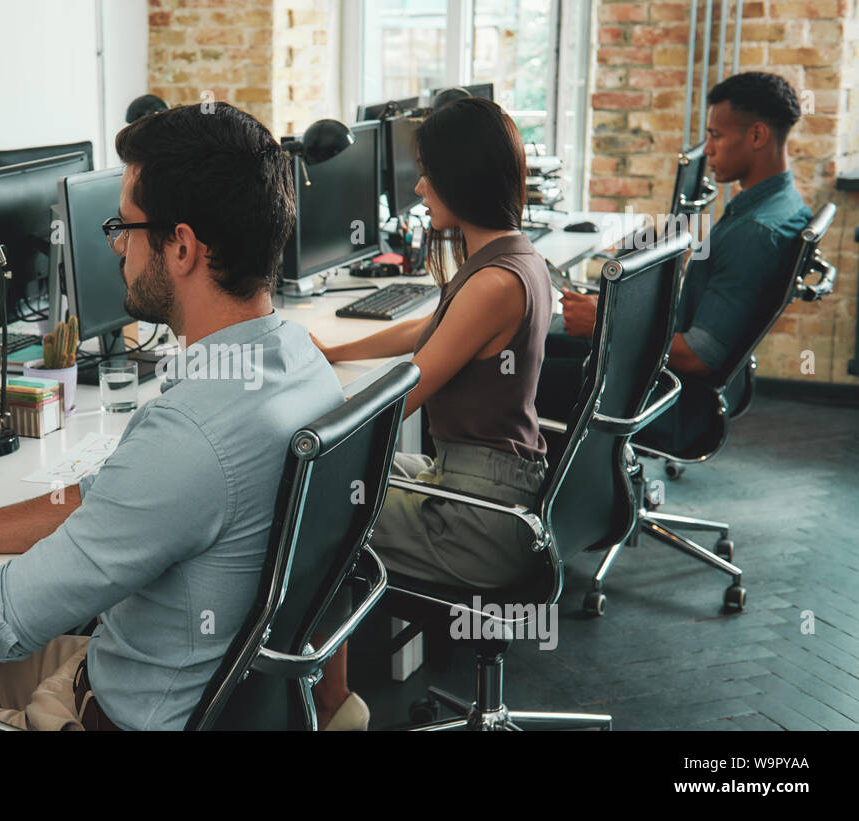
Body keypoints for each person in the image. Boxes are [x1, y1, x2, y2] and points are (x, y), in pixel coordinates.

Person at [0, 102, 345, 731]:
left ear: (181, 247)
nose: (117, 249)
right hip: (178, 684)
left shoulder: (190, 436)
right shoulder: (301, 366)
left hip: (115, 714)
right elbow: (98, 503)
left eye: (124, 227)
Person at [310, 97, 552, 726]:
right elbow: (427, 330)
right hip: (488, 482)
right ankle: (327, 689)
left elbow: (406, 393)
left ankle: (329, 703)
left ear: (460, 178)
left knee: (313, 501)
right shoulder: (511, 256)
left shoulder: (494, 282)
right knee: (339, 486)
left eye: (427, 173)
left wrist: (308, 411)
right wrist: (335, 350)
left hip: (479, 518)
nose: (417, 186)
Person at [537, 72, 812, 453]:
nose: (709, 151)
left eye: (716, 136)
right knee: (539, 343)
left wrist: (605, 321)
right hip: (665, 378)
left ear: (757, 136)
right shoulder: (782, 206)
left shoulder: (756, 231)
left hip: (669, 396)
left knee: (507, 374)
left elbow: (699, 356)